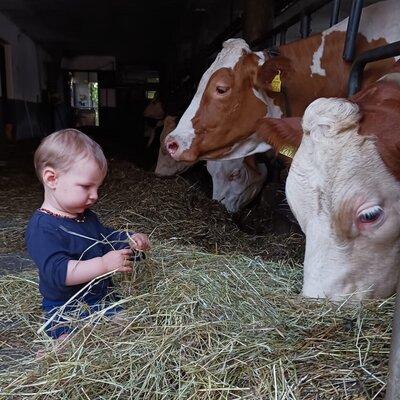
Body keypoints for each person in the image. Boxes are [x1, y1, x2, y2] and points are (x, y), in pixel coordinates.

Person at [25, 128, 151, 340]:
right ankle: (55, 353)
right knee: (70, 344)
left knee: (132, 326)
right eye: (86, 187)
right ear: (51, 178)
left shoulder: (86, 216)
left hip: (103, 300)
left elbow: (105, 238)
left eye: (97, 187)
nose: (94, 196)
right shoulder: (42, 228)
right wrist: (104, 265)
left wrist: (130, 240)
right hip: (66, 309)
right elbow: (59, 273)